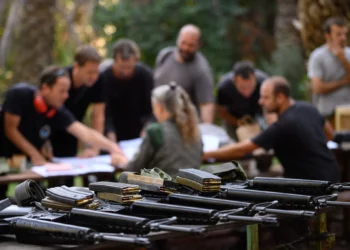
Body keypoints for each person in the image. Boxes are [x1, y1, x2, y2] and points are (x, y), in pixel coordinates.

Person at [203, 76, 340, 182]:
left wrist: (207, 154)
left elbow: (243, 148)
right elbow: (329, 135)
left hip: (311, 184)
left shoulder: (282, 125)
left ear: (280, 97)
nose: (260, 101)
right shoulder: (308, 108)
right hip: (332, 175)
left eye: (266, 97)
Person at [0, 65, 122, 165]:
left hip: (22, 162)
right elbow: (10, 129)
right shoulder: (19, 94)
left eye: (67, 91)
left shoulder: (57, 110)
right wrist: (35, 155)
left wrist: (113, 147)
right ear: (45, 88)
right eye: (61, 91)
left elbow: (85, 133)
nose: (66, 96)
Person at [113, 82, 203, 178]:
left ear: (159, 107)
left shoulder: (157, 131)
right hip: (192, 189)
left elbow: (134, 168)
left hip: (164, 189)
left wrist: (121, 161)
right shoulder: (194, 130)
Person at [50, 45, 106, 158]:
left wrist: (94, 148)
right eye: (89, 72)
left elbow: (98, 115)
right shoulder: (62, 78)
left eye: (96, 72)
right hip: (51, 130)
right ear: (77, 66)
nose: (93, 77)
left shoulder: (98, 81)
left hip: (73, 133)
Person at [154, 24, 214, 124]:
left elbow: (206, 105)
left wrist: (206, 131)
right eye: (183, 43)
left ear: (198, 45)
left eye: (191, 45)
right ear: (178, 40)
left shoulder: (201, 70)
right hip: (158, 118)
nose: (186, 48)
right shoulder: (164, 56)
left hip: (182, 124)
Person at [99, 39, 154, 143]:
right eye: (121, 67)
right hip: (112, 134)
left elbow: (152, 108)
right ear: (114, 61)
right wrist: (109, 132)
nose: (125, 72)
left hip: (139, 133)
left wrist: (148, 126)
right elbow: (103, 112)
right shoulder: (104, 78)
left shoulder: (144, 75)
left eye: (129, 67)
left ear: (135, 61)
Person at [308, 17, 350, 127]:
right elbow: (317, 88)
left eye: (344, 34)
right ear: (328, 36)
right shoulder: (317, 57)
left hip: (347, 112)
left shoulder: (349, 55)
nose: (343, 38)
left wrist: (343, 60)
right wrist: (344, 81)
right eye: (338, 34)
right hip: (327, 115)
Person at [216, 61, 275, 140]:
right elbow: (220, 110)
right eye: (243, 88)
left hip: (259, 116)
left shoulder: (265, 83)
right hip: (232, 119)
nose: (247, 92)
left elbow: (271, 108)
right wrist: (237, 122)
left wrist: (272, 127)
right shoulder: (224, 87)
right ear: (234, 81)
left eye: (250, 87)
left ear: (255, 78)